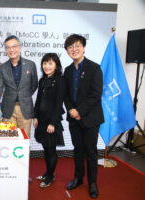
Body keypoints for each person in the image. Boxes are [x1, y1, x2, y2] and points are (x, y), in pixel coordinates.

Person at [63, 34, 104, 198]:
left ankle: (93, 183)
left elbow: (96, 94)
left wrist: (79, 111)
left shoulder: (94, 68)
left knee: (90, 151)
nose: (74, 49)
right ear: (67, 51)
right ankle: (78, 177)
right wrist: (72, 110)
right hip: (73, 118)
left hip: (90, 118)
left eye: (77, 45)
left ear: (84, 47)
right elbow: (65, 94)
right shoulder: (68, 70)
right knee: (77, 149)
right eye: (70, 47)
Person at [0, 35, 38, 136]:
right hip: (8, 108)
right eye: (8, 47)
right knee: (9, 139)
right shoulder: (2, 68)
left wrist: (24, 95)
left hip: (25, 108)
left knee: (24, 138)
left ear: (19, 47)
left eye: (14, 46)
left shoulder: (31, 64)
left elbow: (34, 84)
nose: (11, 50)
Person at [33, 53, 65, 188]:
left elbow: (59, 104)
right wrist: (35, 116)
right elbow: (38, 100)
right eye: (45, 63)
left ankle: (50, 177)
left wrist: (52, 123)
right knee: (45, 149)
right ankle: (47, 173)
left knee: (51, 150)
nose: (47, 66)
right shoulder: (43, 80)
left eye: (50, 63)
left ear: (56, 65)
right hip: (41, 120)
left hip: (52, 122)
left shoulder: (60, 80)